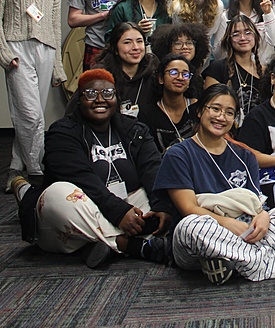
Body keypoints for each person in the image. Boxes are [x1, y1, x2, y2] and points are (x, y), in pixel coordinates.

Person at [154, 84, 275, 284]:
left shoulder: (244, 155)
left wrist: (263, 217)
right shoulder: (178, 154)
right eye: (215, 109)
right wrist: (228, 224)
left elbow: (257, 203)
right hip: (205, 235)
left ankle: (233, 262)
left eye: (229, 112)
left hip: (246, 229)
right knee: (191, 227)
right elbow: (188, 209)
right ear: (199, 111)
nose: (221, 117)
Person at [32, 69, 172, 268]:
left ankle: (95, 243)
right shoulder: (62, 133)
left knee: (177, 195)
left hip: (128, 206)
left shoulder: (135, 129)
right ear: (79, 100)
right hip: (86, 207)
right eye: (90, 94)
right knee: (58, 194)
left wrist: (161, 206)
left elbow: (153, 169)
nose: (100, 100)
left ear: (116, 98)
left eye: (108, 93)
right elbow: (82, 179)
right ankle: (129, 244)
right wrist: (119, 212)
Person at [0, 0, 66, 191]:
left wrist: (57, 66)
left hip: (46, 51)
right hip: (17, 49)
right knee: (30, 115)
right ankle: (37, 171)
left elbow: (55, 26)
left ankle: (15, 169)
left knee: (33, 114)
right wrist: (4, 52)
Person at [203, 15, 264, 125]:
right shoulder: (217, 68)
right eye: (236, 34)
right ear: (229, 39)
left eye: (248, 33)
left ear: (255, 36)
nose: (243, 38)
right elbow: (210, 107)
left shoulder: (264, 71)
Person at [214, 0, 275, 66]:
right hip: (236, 68)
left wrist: (267, 13)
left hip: (264, 67)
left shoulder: (266, 11)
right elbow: (217, 54)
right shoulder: (226, 16)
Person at [95, 23, 158, 118]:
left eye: (139, 41)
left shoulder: (153, 71)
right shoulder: (100, 75)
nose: (136, 47)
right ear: (115, 48)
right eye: (127, 42)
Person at [139, 54, 197, 154]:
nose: (180, 78)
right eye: (173, 73)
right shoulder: (147, 113)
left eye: (185, 74)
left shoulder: (198, 108)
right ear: (160, 78)